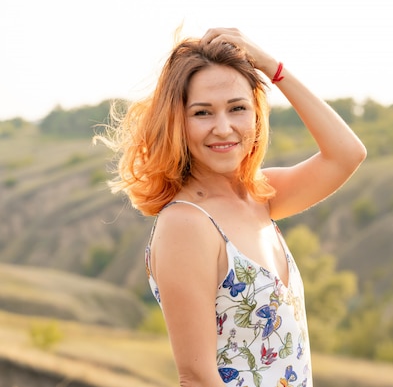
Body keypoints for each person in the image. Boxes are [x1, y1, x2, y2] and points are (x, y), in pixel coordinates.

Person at [98, 27, 366, 387]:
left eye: (238, 108)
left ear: (257, 115)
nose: (223, 128)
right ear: (178, 122)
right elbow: (196, 377)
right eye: (203, 113)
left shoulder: (260, 197)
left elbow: (347, 154)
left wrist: (273, 68)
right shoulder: (187, 223)